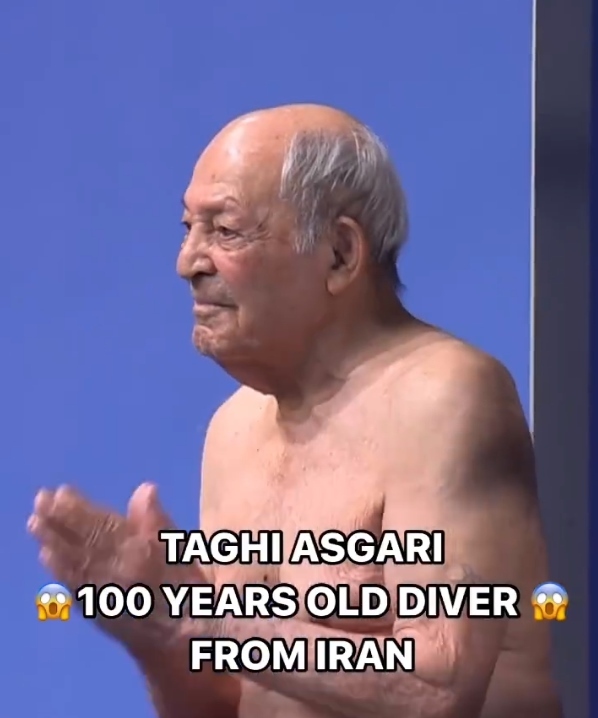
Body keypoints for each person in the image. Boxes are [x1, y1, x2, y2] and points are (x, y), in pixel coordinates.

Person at [28, 104, 562, 718]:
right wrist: (155, 634)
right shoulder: (233, 430)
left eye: (225, 231)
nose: (187, 263)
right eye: (188, 228)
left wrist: (206, 621)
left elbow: (436, 688)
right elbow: (225, 700)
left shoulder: (443, 397)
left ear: (339, 253)